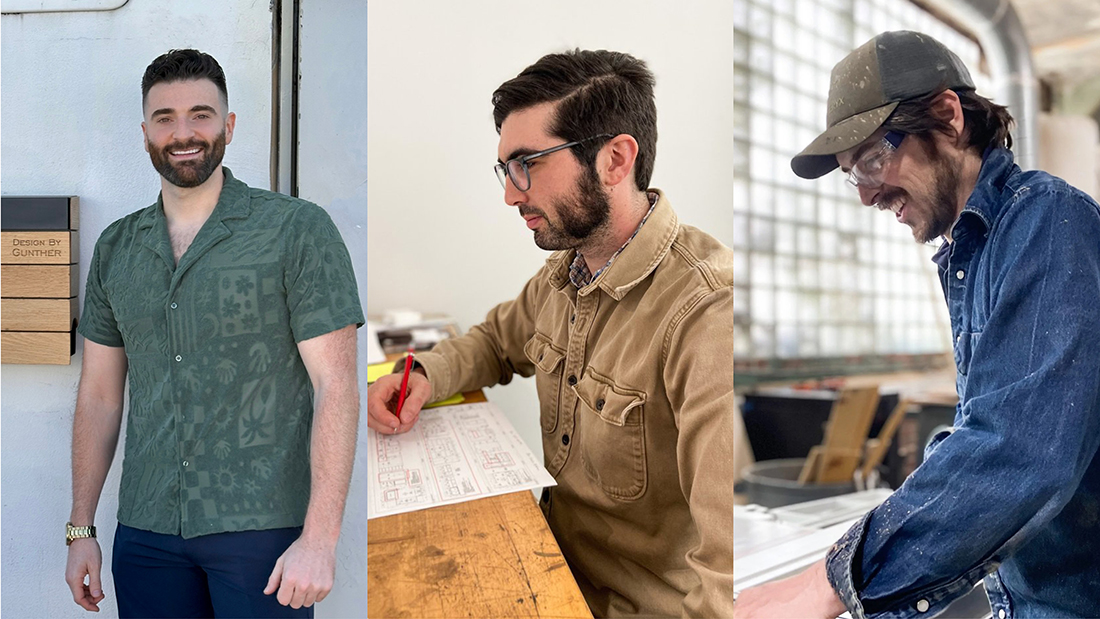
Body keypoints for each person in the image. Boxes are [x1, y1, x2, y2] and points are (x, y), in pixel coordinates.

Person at [734, 30, 1100, 618]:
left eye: (875, 158)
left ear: (949, 116)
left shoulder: (1048, 224)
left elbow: (1017, 449)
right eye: (853, 174)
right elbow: (985, 427)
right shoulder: (972, 254)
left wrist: (825, 584)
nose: (867, 194)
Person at [366, 49, 734, 618]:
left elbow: (724, 574)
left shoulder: (706, 312)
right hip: (549, 564)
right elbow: (493, 342)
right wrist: (423, 375)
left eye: (527, 164)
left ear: (615, 159)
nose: (511, 194)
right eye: (505, 170)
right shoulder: (568, 270)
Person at [63, 49, 364, 618]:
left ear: (228, 125)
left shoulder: (296, 230)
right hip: (146, 531)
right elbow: (100, 396)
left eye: (201, 114)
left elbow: (336, 386)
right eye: (165, 117)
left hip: (262, 533)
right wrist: (82, 528)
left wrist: (320, 540)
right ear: (145, 132)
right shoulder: (117, 250)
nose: (183, 133)